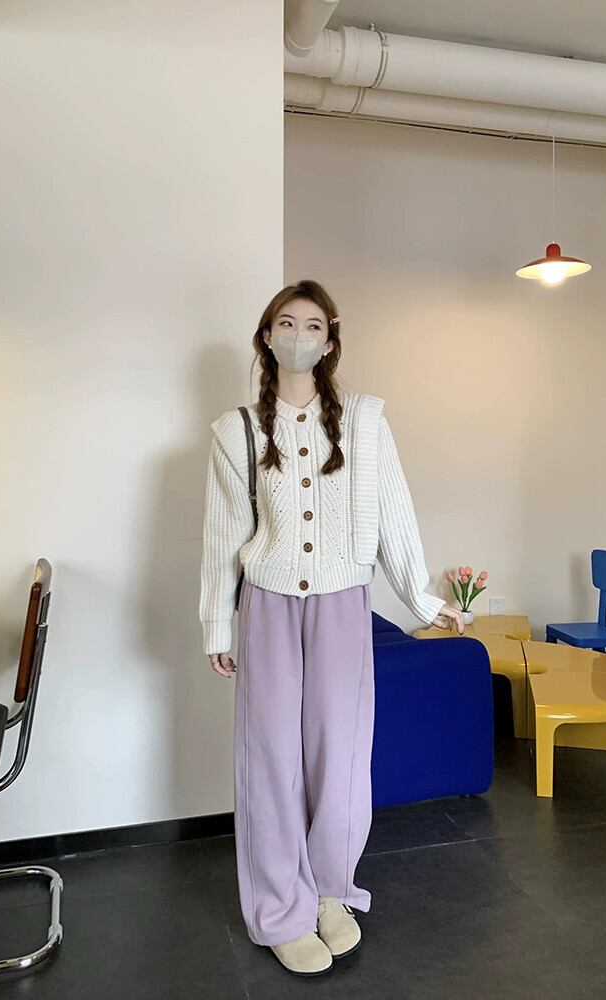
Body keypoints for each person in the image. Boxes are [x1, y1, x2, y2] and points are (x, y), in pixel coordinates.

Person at [198, 278, 464, 976]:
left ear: (330, 338)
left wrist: (422, 598)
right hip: (267, 605)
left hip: (344, 602)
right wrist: (218, 623)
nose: (298, 336)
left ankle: (329, 890)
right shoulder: (236, 430)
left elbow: (394, 511)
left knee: (340, 756)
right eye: (286, 323)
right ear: (267, 336)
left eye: (312, 325)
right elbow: (225, 534)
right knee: (271, 759)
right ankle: (279, 910)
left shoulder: (367, 421)